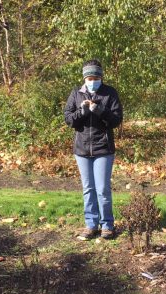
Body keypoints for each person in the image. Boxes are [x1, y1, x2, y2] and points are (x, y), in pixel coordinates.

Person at [64, 59, 123, 239]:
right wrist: (82, 111)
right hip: (82, 149)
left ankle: (107, 225)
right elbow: (69, 119)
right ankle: (91, 224)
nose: (93, 80)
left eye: (96, 77)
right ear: (84, 78)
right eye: (89, 77)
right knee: (88, 188)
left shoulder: (109, 93)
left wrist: (99, 110)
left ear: (101, 76)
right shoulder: (76, 93)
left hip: (103, 148)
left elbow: (116, 120)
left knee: (102, 189)